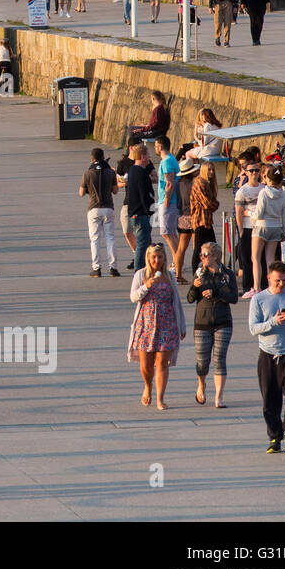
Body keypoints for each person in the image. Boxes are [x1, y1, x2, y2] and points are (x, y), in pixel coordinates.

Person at [249, 261, 285, 452]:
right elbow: (253, 328)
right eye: (277, 281)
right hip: (268, 355)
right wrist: (274, 321)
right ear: (269, 278)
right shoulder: (258, 299)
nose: (281, 284)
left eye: (284, 280)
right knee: (270, 399)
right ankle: (274, 438)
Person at [128, 242, 187, 410]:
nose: (156, 260)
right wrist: (146, 287)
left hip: (167, 323)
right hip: (145, 325)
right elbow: (133, 297)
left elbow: (177, 302)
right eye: (153, 257)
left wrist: (181, 326)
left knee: (162, 363)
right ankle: (148, 387)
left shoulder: (169, 275)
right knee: (145, 364)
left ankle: (160, 398)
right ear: (148, 258)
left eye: (159, 257)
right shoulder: (141, 275)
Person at [189, 241, 238, 408]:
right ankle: (201, 385)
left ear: (216, 256)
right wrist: (195, 287)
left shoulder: (227, 274)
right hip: (202, 322)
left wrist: (216, 291)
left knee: (219, 359)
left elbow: (233, 298)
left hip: (223, 321)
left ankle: (219, 396)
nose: (202, 257)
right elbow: (190, 298)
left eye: (206, 254)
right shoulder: (199, 273)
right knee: (203, 361)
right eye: (201, 254)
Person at [79, 147, 120, 278]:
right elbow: (115, 191)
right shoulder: (110, 172)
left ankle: (96, 268)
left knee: (95, 239)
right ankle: (113, 268)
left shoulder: (87, 173)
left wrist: (89, 189)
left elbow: (81, 193)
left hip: (93, 208)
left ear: (92, 159)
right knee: (110, 238)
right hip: (108, 208)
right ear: (103, 157)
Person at [250, 166, 285, 296]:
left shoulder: (264, 192)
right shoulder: (284, 194)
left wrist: (249, 213)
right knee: (270, 260)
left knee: (255, 258)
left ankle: (256, 287)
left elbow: (259, 213)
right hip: (276, 227)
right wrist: (284, 232)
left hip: (261, 226)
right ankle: (271, 285)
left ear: (268, 179)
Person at [234, 157, 267, 298]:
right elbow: (239, 212)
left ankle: (263, 285)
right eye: (251, 171)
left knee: (262, 259)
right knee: (247, 259)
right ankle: (248, 286)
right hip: (248, 228)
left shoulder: (264, 189)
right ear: (246, 173)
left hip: (261, 228)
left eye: (256, 170)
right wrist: (241, 230)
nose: (254, 173)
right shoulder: (242, 191)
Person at [154, 136, 182, 275]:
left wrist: (166, 200)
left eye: (156, 145)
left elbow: (169, 183)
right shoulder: (170, 160)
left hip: (169, 201)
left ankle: (177, 261)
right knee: (170, 233)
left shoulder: (167, 162)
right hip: (170, 201)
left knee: (167, 233)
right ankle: (177, 259)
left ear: (160, 146)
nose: (154, 148)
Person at [125, 142, 155, 271]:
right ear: (142, 157)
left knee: (146, 244)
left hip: (134, 212)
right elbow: (145, 194)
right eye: (148, 155)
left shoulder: (132, 170)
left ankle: (147, 270)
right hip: (141, 213)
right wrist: (149, 211)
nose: (149, 157)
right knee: (142, 245)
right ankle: (139, 272)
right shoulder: (141, 172)